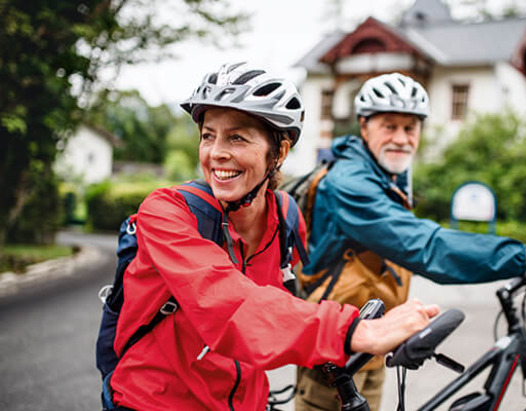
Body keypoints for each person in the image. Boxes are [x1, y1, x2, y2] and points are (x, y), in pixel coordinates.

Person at [107, 62, 440, 411]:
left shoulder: (285, 217)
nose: (216, 151)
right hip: (155, 403)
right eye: (208, 135)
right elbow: (229, 303)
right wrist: (353, 331)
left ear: (278, 153)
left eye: (236, 137)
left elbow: (279, 305)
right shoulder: (165, 213)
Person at [295, 72, 526, 411]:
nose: (401, 138)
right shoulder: (350, 184)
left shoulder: (385, 177)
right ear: (364, 125)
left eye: (410, 127)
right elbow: (428, 247)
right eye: (389, 125)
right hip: (336, 357)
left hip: (368, 346)